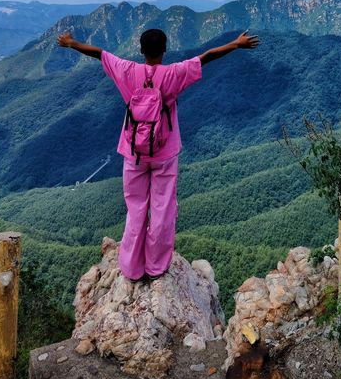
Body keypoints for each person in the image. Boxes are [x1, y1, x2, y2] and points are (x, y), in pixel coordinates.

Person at [57, 27, 259, 281]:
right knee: (163, 210)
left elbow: (98, 53)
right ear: (165, 50)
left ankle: (131, 268)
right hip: (164, 154)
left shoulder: (128, 70)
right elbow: (206, 56)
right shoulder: (173, 73)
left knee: (136, 209)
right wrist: (236, 44)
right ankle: (155, 267)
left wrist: (70, 42)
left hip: (133, 154)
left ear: (141, 50)